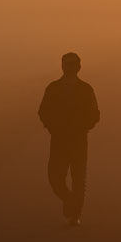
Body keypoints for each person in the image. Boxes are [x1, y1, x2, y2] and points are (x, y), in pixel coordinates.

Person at [37, 52, 100, 226]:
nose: (70, 67)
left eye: (73, 64)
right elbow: (43, 111)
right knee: (55, 177)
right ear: (62, 66)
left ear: (79, 67)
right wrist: (52, 127)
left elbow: (95, 114)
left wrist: (83, 127)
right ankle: (70, 200)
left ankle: (75, 214)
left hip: (79, 140)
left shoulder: (86, 89)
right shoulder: (53, 88)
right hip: (59, 139)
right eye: (67, 63)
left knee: (78, 178)